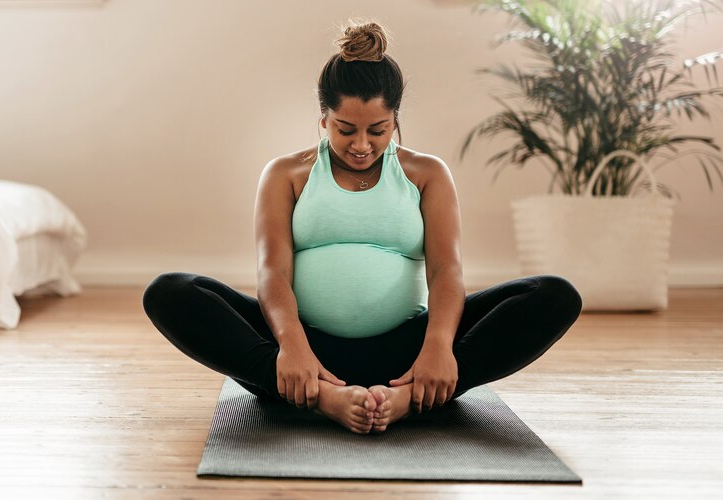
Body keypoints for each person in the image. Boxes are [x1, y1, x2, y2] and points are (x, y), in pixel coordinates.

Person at [142, 20, 582, 435]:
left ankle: (411, 395)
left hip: (405, 351)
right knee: (171, 291)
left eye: (378, 130)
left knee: (554, 295)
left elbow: (447, 271)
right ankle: (321, 396)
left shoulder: (426, 174)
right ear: (323, 118)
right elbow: (272, 273)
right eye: (345, 129)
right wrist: (292, 346)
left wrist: (438, 346)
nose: (361, 145)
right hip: (303, 350)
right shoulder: (285, 174)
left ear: (395, 120)